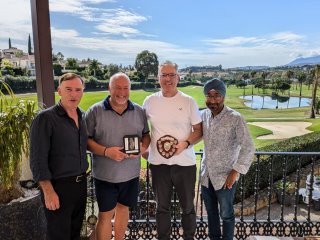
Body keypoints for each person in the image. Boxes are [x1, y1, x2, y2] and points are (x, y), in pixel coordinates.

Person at [85, 73, 150, 240]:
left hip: (131, 174)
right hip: (105, 175)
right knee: (105, 215)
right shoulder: (95, 111)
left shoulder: (139, 111)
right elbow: (86, 141)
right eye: (117, 88)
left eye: (125, 88)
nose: (122, 92)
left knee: (123, 209)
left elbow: (146, 135)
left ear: (130, 89)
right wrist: (107, 152)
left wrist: (142, 148)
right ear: (109, 88)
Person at [142, 60, 202, 240]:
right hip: (159, 165)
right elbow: (142, 131)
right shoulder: (150, 101)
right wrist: (146, 152)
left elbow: (198, 130)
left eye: (171, 75)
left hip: (185, 164)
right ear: (158, 78)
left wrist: (185, 144)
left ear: (178, 77)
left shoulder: (188, 101)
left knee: (188, 208)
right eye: (164, 75)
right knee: (162, 208)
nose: (168, 79)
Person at [30, 73, 88, 240]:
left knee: (75, 232)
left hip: (80, 185)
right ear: (59, 91)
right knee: (58, 235)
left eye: (78, 90)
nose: (74, 94)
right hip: (58, 187)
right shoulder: (46, 118)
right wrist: (48, 191)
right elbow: (37, 159)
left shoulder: (82, 116)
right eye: (68, 89)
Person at [200, 78, 255, 240]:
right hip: (206, 175)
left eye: (217, 95)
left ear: (223, 96)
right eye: (209, 96)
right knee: (211, 214)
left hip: (225, 177)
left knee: (227, 215)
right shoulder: (203, 115)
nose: (212, 100)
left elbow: (249, 147)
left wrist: (235, 171)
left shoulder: (235, 118)